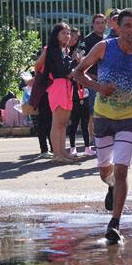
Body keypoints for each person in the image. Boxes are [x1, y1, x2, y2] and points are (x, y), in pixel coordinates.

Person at [71, 8, 132, 244]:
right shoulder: (104, 47)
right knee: (105, 171)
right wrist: (99, 88)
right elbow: (77, 73)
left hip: (130, 118)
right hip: (103, 116)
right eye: (128, 25)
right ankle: (110, 186)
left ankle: (115, 223)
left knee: (122, 170)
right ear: (118, 27)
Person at [45, 23, 80, 164]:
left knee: (64, 123)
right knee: (58, 122)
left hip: (66, 86)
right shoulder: (54, 51)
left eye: (68, 33)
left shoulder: (63, 51)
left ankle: (63, 152)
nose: (67, 36)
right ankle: (57, 154)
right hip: (58, 86)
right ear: (56, 35)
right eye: (64, 33)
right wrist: (75, 61)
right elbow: (64, 70)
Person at [83, 13, 107, 155]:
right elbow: (81, 61)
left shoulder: (108, 40)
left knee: (104, 110)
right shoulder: (87, 40)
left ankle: (103, 135)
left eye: (103, 22)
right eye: (97, 22)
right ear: (93, 24)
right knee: (92, 110)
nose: (100, 25)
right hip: (92, 80)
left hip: (105, 80)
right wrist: (89, 76)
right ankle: (92, 137)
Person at [66, 28, 91, 157]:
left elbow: (85, 67)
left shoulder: (80, 51)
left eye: (77, 38)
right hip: (72, 91)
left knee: (85, 121)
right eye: (73, 37)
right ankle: (72, 147)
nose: (75, 40)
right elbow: (68, 73)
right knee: (74, 122)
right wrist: (76, 61)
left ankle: (87, 147)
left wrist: (82, 61)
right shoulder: (66, 53)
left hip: (83, 90)